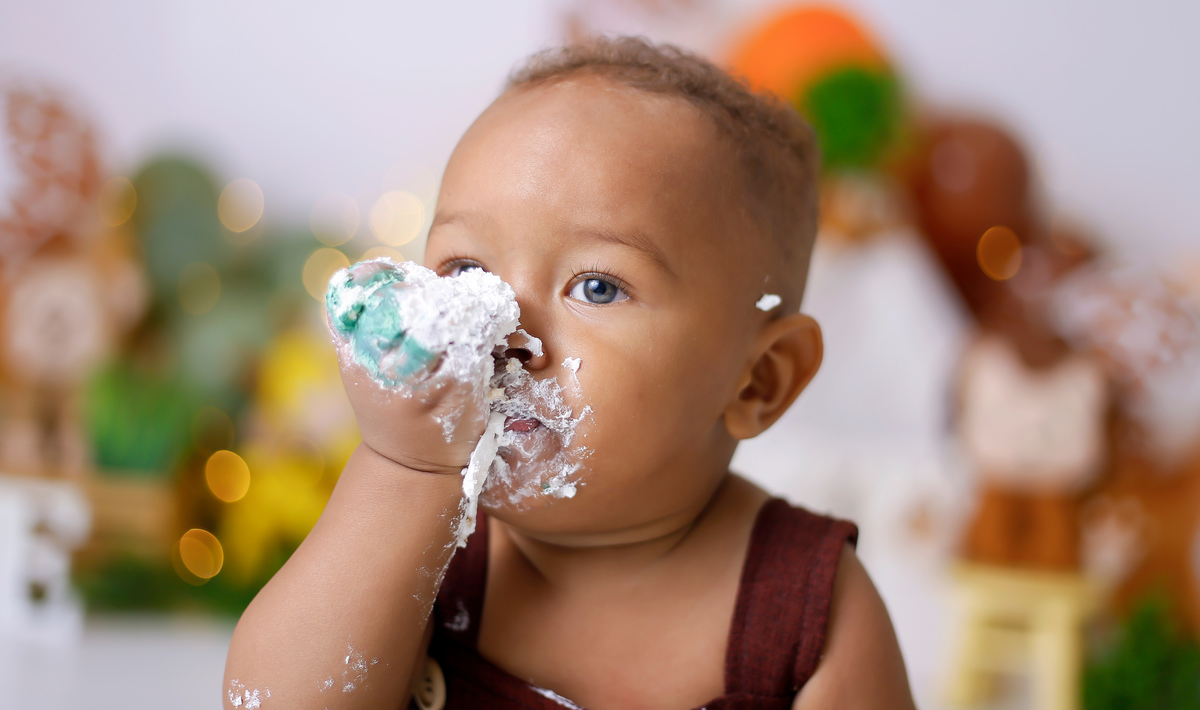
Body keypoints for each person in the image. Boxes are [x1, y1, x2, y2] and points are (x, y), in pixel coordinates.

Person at [224, 37, 915, 709]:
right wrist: (405, 469)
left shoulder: (809, 615)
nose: (506, 332)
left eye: (598, 287)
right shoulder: (418, 547)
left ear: (758, 379)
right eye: (468, 271)